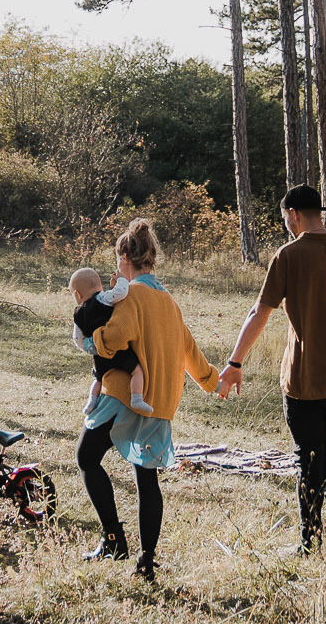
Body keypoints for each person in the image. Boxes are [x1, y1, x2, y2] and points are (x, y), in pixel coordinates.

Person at [218, 185, 326, 553]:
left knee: (306, 454)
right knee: (321, 444)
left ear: (294, 214)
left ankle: (309, 542)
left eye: (285, 219)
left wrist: (235, 362)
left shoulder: (288, 255)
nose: (286, 225)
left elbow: (259, 312)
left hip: (301, 376)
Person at [77, 219, 220, 582]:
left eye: (117, 260)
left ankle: (113, 540)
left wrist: (91, 342)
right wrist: (212, 380)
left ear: (125, 258)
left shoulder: (133, 294)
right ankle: (146, 560)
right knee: (146, 478)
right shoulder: (168, 301)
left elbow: (118, 334)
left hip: (124, 394)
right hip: (160, 402)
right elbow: (189, 349)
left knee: (87, 457)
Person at [69, 268, 152, 416]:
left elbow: (77, 339)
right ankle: (136, 398)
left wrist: (92, 346)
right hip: (119, 352)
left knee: (98, 378)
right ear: (100, 287)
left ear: (77, 295)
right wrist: (121, 278)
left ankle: (91, 401)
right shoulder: (104, 298)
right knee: (137, 371)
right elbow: (121, 292)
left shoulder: (78, 313)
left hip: (100, 356)